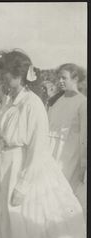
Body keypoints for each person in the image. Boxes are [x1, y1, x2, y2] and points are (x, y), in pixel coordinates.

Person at [0, 50, 86, 238]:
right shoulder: (7, 101)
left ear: (19, 74)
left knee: (20, 225)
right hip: (2, 170)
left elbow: (37, 148)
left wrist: (22, 185)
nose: (1, 78)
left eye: (5, 73)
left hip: (21, 170)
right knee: (0, 223)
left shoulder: (32, 104)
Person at [48, 63, 87, 214]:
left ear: (75, 78)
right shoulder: (56, 101)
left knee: (64, 196)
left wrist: (83, 166)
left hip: (69, 156)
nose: (60, 81)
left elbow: (85, 137)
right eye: (59, 78)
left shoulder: (83, 103)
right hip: (50, 153)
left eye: (64, 78)